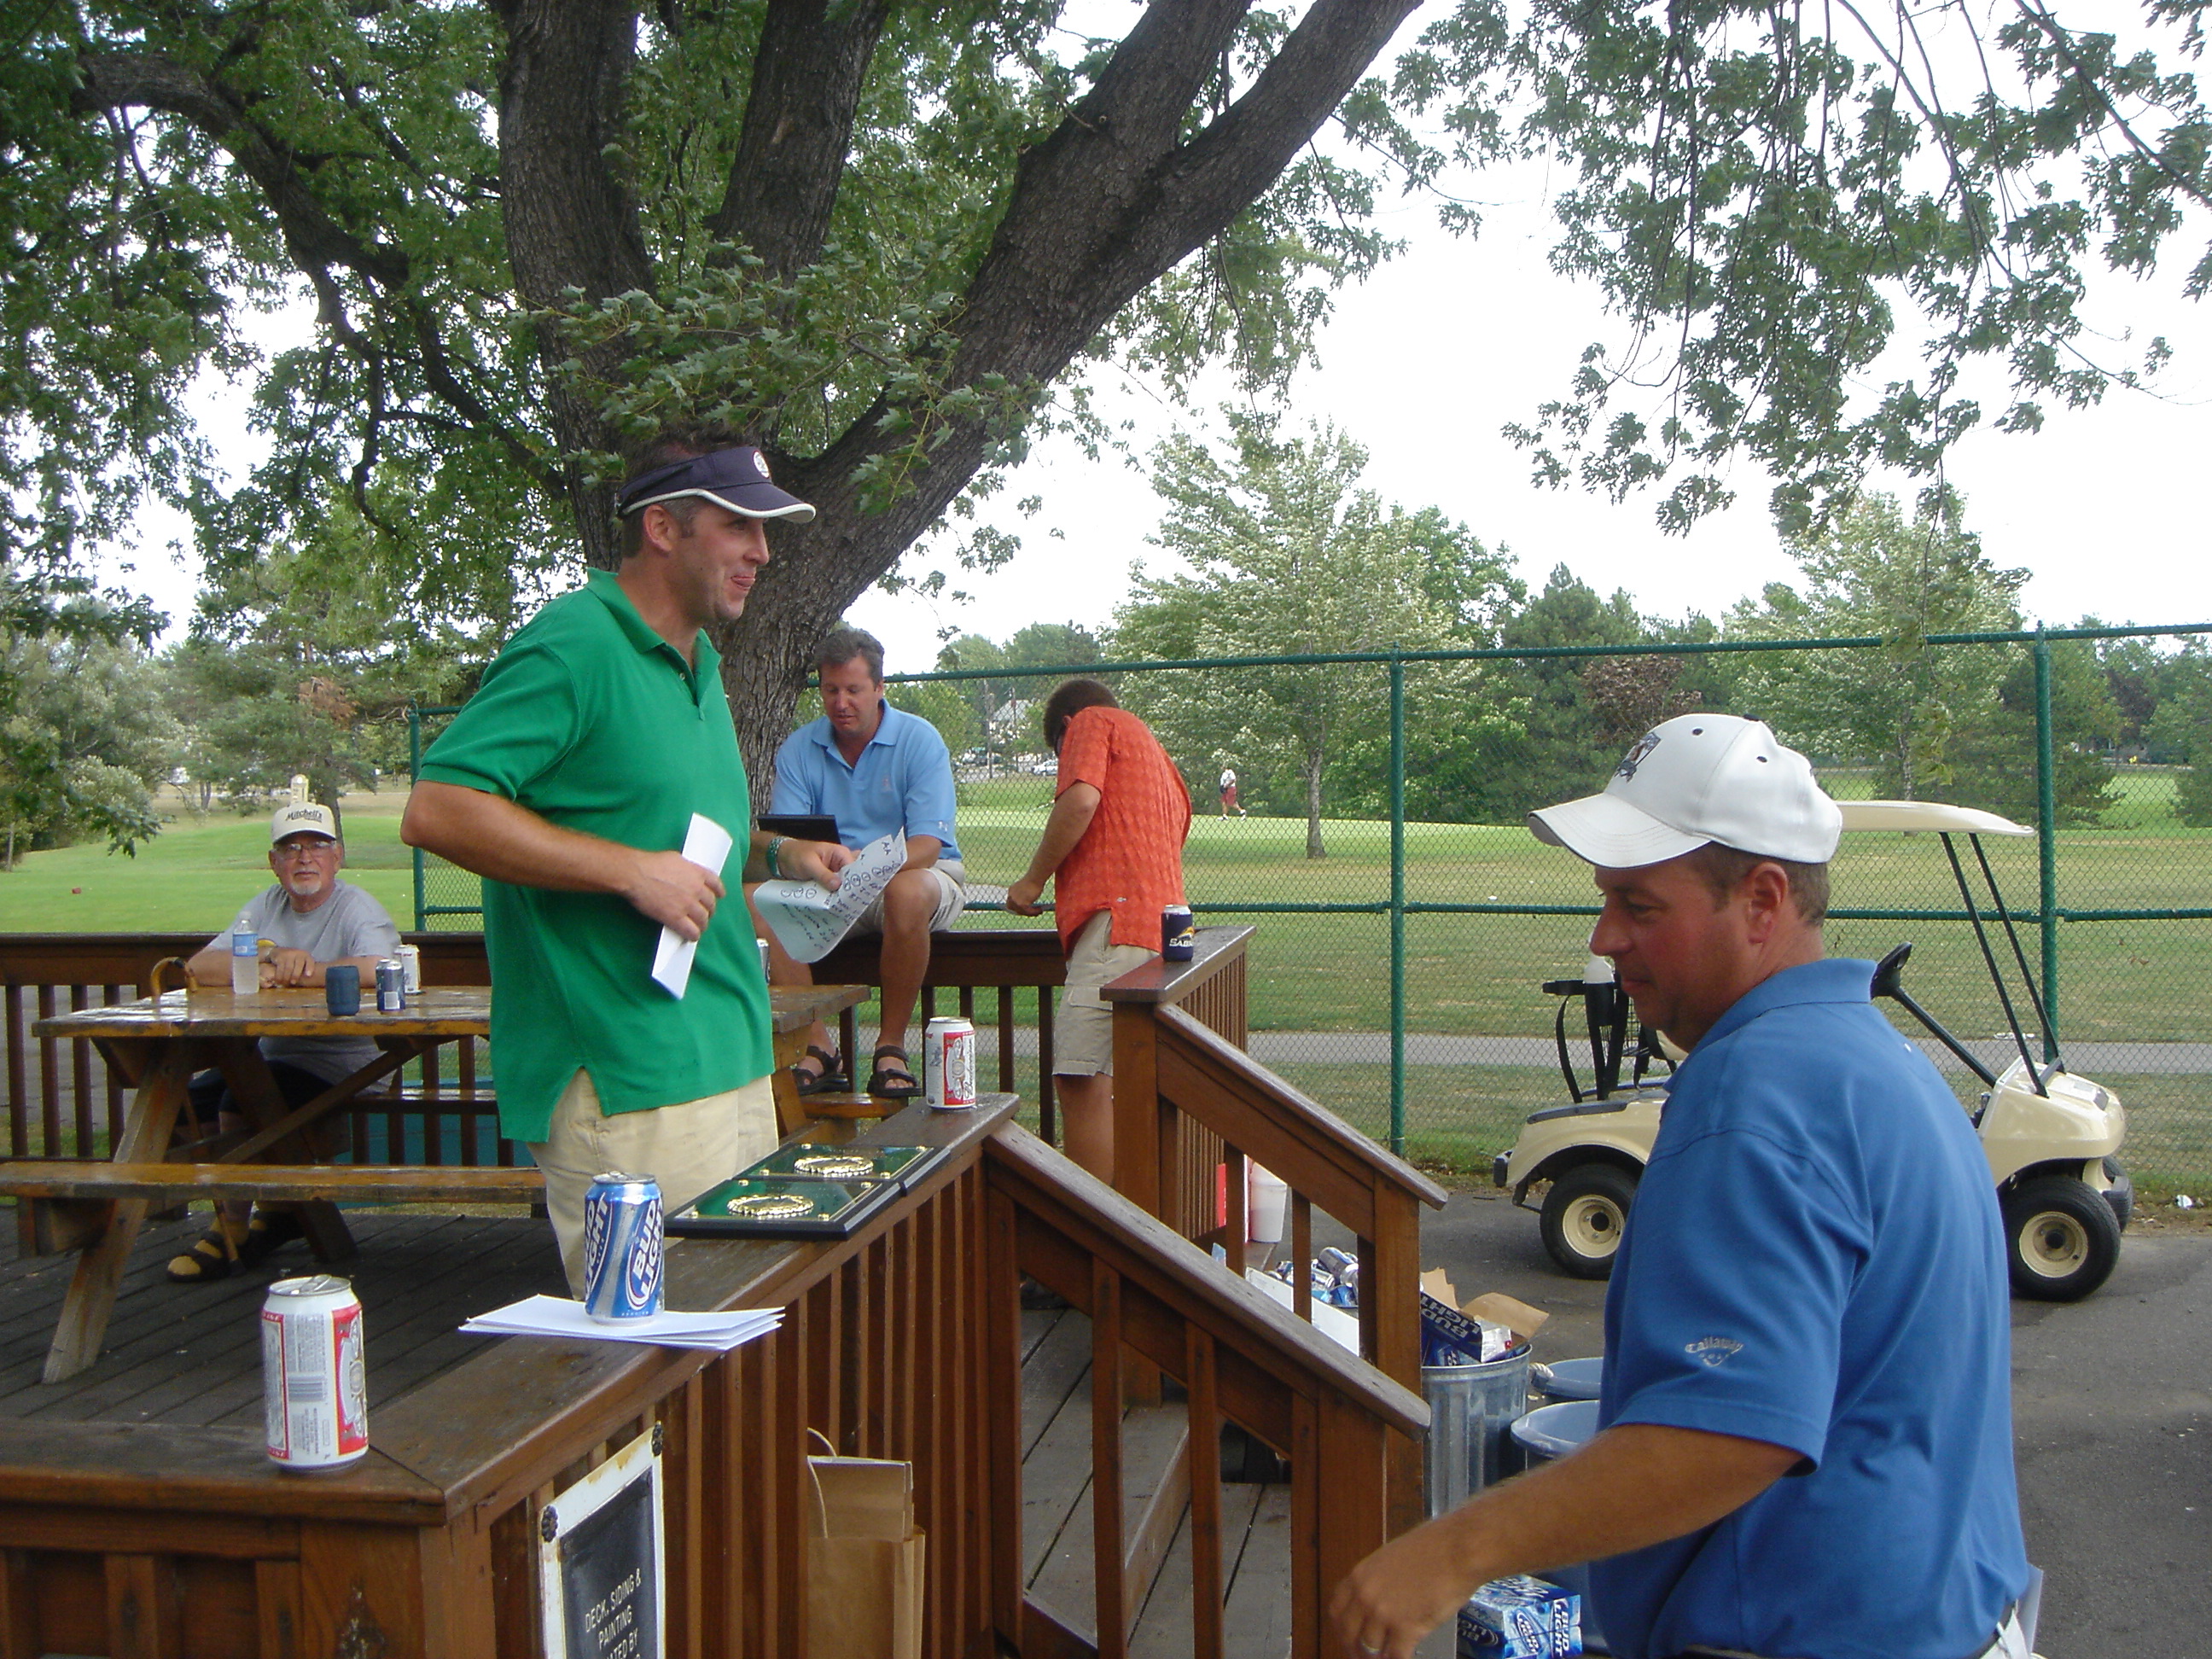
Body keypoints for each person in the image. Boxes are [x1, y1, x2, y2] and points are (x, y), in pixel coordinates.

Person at [1330, 713, 2032, 1659]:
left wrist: (1452, 1553)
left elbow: (1728, 1434)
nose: (1606, 936)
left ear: (1761, 900)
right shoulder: (1876, 1062)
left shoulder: (1755, 1095)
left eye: (1640, 904)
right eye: (1607, 900)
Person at [402, 435, 853, 1294]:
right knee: (663, 1374)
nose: (762, 551)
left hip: (732, 1054)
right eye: (738, 526)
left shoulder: (698, 663)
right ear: (662, 528)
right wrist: (629, 873)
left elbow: (680, 826)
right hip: (626, 1076)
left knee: (745, 1348)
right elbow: (441, 807)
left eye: (766, 532)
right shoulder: (574, 643)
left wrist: (779, 850)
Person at [169, 800, 403, 1283]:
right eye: (291, 848)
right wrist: (271, 959)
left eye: (318, 846)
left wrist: (308, 973)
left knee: (244, 1099)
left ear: (337, 857)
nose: (304, 858)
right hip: (273, 1056)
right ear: (273, 862)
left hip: (348, 1067)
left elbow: (379, 967)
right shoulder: (264, 907)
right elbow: (197, 967)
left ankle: (231, 1227)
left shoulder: (357, 907)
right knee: (180, 1103)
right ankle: (278, 1207)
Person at [757, 626, 964, 1100]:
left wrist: (869, 870)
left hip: (916, 876)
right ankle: (819, 1047)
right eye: (831, 690)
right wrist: (830, 869)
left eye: (853, 689)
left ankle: (890, 1048)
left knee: (906, 891)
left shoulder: (919, 740)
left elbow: (929, 846)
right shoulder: (799, 749)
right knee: (756, 899)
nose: (841, 702)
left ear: (879, 688)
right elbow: (790, 839)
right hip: (833, 884)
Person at [1004, 680, 1190, 1181]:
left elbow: (1081, 801)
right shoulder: (1159, 758)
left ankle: (1104, 1236)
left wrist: (1031, 881)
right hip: (1165, 933)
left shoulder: (1090, 723)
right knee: (1126, 1085)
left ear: (1066, 729)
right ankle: (1144, 1226)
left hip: (1119, 925)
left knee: (1079, 1078)